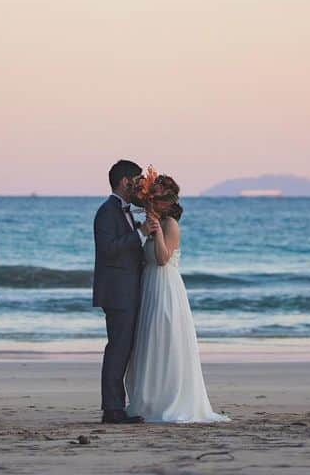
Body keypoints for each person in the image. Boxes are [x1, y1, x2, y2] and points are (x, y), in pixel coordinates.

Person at [126, 174, 229, 423]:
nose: (151, 202)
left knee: (165, 339)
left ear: (166, 201)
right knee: (148, 341)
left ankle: (169, 400)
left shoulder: (170, 224)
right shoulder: (149, 222)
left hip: (166, 286)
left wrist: (157, 232)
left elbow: (162, 258)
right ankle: (147, 400)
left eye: (156, 197)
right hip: (149, 285)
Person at [92, 159, 145, 424]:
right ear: (125, 181)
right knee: (118, 349)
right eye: (138, 180)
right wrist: (139, 234)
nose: (140, 186)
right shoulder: (106, 211)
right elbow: (108, 249)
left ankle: (117, 406)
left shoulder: (125, 211)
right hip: (117, 292)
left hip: (128, 290)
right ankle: (112, 409)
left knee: (124, 348)